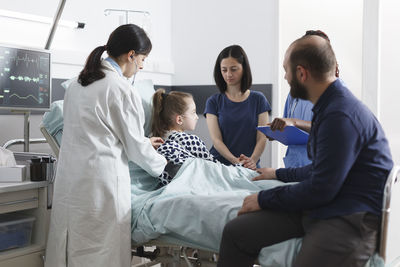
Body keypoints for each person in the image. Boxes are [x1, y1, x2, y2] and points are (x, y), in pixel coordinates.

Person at [217, 34, 393, 267]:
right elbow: (321, 170)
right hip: (327, 202)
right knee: (236, 232)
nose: (285, 77)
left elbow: (321, 188)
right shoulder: (328, 106)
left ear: (302, 74)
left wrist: (264, 198)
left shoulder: (340, 115)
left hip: (349, 215)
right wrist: (277, 174)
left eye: (286, 70)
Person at [45, 24, 167, 267]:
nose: (141, 66)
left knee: (68, 251)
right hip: (101, 185)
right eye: (142, 59)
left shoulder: (78, 84)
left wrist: (142, 142)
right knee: (100, 254)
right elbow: (134, 147)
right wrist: (162, 162)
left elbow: (99, 132)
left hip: (71, 182)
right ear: (131, 55)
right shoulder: (120, 88)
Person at [270, 30, 334, 168]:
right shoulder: (294, 93)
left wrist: (295, 122)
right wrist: (276, 130)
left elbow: (329, 128)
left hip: (314, 166)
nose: (286, 77)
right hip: (294, 164)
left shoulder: (335, 95)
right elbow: (288, 124)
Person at [204, 45, 271, 170]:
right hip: (219, 166)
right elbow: (216, 140)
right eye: (224, 70)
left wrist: (253, 160)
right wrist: (235, 161)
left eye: (234, 69)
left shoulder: (259, 99)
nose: (228, 74)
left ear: (244, 68)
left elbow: (262, 138)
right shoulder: (213, 102)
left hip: (250, 166)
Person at [151, 88, 220, 186]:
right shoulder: (190, 140)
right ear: (179, 119)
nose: (196, 117)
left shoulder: (155, 141)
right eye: (193, 112)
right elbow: (214, 168)